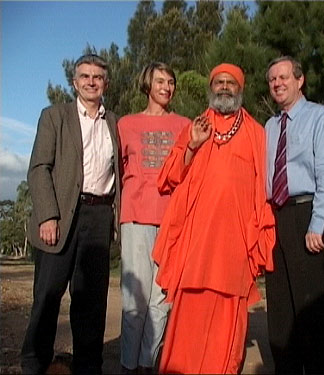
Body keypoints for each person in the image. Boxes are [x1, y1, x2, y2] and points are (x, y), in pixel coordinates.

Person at [151, 63, 275, 374]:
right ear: (211, 87)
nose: (223, 87)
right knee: (188, 320)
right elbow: (167, 178)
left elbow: (264, 190)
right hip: (196, 244)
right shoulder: (196, 126)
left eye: (230, 83)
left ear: (240, 89)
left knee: (228, 324)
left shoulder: (257, 133)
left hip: (234, 244)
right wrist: (192, 144)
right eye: (218, 82)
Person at [21, 54, 120, 375]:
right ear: (75, 82)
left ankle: (89, 366)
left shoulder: (115, 123)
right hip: (62, 216)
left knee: (91, 302)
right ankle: (34, 364)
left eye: (97, 77)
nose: (91, 82)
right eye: (85, 76)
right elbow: (39, 169)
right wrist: (47, 216)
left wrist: (116, 223)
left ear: (106, 82)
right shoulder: (54, 116)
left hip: (99, 217)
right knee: (48, 297)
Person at [265, 56, 324, 374]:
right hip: (276, 218)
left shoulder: (321, 118)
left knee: (312, 314)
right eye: (272, 80)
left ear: (300, 80)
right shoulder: (270, 126)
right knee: (280, 315)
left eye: (283, 77)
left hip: (308, 215)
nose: (278, 84)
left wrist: (318, 223)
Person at [118, 62, 190, 373]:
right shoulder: (126, 124)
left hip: (173, 221)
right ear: (148, 84)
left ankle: (148, 364)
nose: (166, 87)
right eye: (160, 81)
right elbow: (117, 170)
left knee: (162, 301)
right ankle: (127, 365)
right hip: (136, 217)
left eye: (171, 82)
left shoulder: (185, 124)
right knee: (135, 299)